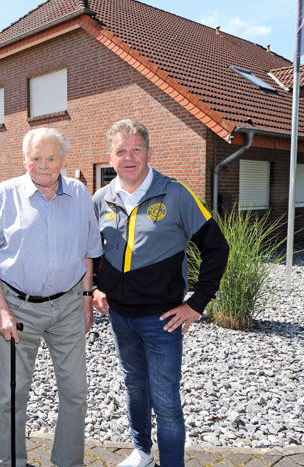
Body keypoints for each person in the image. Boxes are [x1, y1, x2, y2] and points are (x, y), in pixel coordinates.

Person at [92, 119, 229, 467]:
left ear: (149, 152)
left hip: (162, 320)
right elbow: (90, 250)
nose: (129, 158)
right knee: (134, 387)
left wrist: (196, 304)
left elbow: (217, 248)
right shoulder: (101, 199)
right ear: (110, 157)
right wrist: (94, 288)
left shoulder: (176, 193)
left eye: (136, 149)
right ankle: (142, 452)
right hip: (119, 317)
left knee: (165, 399)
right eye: (121, 151)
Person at [0, 127, 102, 467]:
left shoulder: (80, 194)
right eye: (36, 157)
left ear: (63, 160)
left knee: (75, 393)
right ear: (24, 159)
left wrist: (86, 300)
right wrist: (1, 310)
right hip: (17, 307)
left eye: (51, 157)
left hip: (69, 305)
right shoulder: (3, 195)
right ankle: (13, 462)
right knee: (11, 395)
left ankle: (68, 462)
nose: (43, 165)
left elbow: (88, 251)